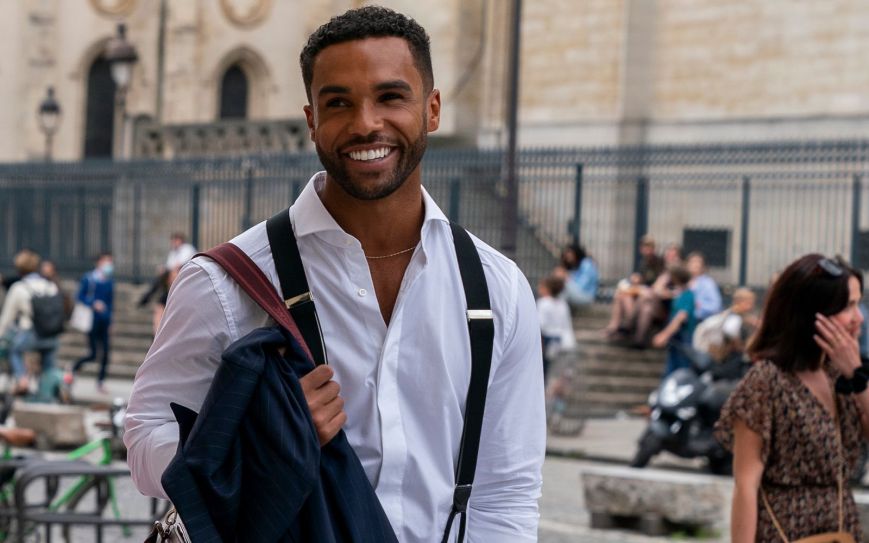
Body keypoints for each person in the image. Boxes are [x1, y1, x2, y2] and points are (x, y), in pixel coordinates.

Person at [124, 7, 544, 542]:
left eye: (391, 97)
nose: (366, 122)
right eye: (339, 102)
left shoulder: (497, 289)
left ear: (432, 109)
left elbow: (505, 492)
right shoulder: (227, 281)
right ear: (311, 120)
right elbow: (143, 436)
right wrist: (258, 440)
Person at [715, 254, 869, 541]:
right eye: (849, 306)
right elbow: (746, 486)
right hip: (785, 531)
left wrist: (858, 378)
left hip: (840, 529)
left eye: (858, 304)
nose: (858, 317)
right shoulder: (767, 381)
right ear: (813, 313)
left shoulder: (843, 376)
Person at [0, 250, 62, 393]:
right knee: (48, 366)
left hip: (31, 333)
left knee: (14, 352)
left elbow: (6, 318)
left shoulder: (19, 288)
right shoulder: (49, 285)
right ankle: (51, 389)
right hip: (51, 334)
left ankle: (22, 380)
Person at [604, 234, 664, 337]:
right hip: (642, 293)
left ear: (653, 248)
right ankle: (614, 326)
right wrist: (636, 280)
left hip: (653, 298)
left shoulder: (659, 262)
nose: (646, 249)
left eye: (649, 247)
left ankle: (629, 324)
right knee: (621, 295)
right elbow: (642, 281)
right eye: (644, 247)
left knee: (631, 296)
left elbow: (656, 284)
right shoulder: (643, 263)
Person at [71, 253, 114, 392]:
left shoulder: (109, 281)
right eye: (106, 261)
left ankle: (101, 381)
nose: (108, 264)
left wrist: (111, 320)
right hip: (92, 320)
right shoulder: (89, 278)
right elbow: (79, 296)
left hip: (104, 320)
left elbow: (110, 302)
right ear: (99, 262)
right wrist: (92, 303)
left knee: (106, 353)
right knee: (93, 353)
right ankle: (74, 366)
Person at [651, 265, 696, 377]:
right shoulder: (677, 293)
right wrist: (663, 279)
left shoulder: (687, 295)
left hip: (684, 341)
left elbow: (680, 318)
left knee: (681, 373)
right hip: (676, 341)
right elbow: (658, 291)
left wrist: (664, 335)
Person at [537, 274, 576, 379]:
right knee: (562, 376)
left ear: (547, 288)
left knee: (549, 376)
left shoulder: (543, 303)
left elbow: (541, 325)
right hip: (567, 343)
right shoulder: (563, 304)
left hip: (551, 343)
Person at [554, 243, 598, 309]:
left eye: (569, 252)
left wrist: (567, 277)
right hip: (574, 294)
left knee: (563, 286)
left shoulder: (587, 264)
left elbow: (582, 286)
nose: (567, 255)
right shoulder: (571, 266)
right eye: (566, 253)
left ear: (576, 252)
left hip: (586, 296)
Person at [686, 251, 722, 322]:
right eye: (692, 262)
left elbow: (716, 306)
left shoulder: (708, 283)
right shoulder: (683, 281)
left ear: (703, 266)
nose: (695, 264)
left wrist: (699, 305)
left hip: (700, 321)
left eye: (698, 262)